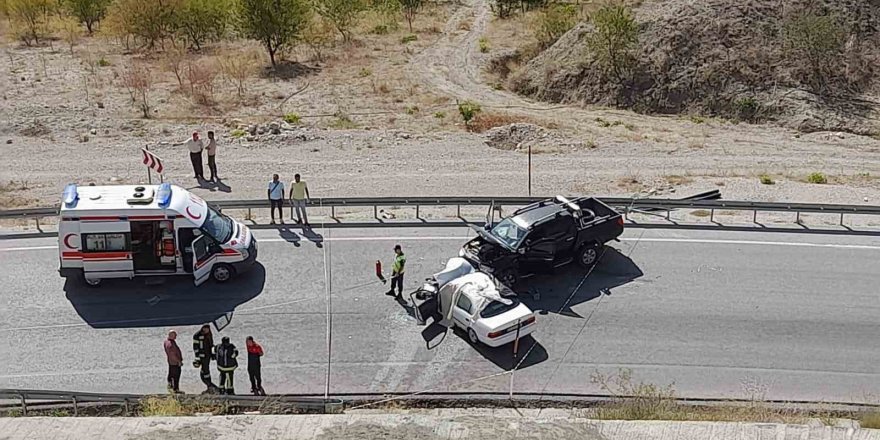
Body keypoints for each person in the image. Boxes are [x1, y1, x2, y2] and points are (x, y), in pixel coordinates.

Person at [192, 325, 217, 393]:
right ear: (202, 328)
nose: (206, 330)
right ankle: (209, 385)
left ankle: (209, 386)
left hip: (207, 356)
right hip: (201, 356)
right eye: (205, 329)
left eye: (208, 329)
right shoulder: (197, 335)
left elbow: (211, 344)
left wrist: (213, 354)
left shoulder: (209, 335)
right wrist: (197, 357)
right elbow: (195, 347)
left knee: (206, 370)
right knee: (205, 370)